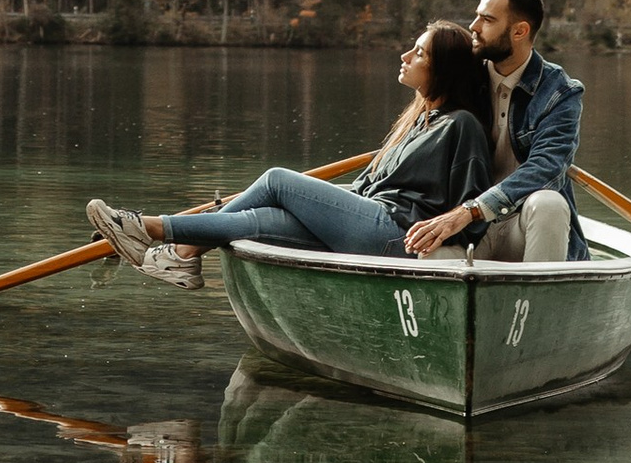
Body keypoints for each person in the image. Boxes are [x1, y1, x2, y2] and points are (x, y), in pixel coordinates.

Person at [87, 19, 498, 288]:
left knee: (277, 181)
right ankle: (170, 248)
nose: (406, 57)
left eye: (420, 53)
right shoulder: (418, 121)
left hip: (393, 233)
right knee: (262, 220)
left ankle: (159, 236)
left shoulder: (461, 125)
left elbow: (471, 210)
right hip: (368, 222)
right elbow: (367, 185)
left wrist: (445, 233)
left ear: (444, 69)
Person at [402, 0, 583, 264]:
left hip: (521, 226)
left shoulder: (559, 92)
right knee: (430, 252)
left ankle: (538, 292)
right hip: (470, 232)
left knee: (549, 203)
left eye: (487, 20)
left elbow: (547, 167)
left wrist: (471, 210)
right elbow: (427, 94)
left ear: (520, 31)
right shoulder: (467, 76)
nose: (473, 27)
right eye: (477, 16)